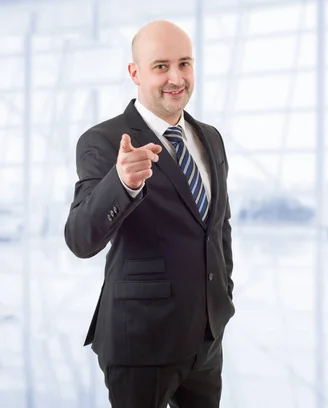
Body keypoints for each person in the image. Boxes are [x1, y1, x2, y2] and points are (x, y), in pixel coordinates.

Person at [64, 20, 234, 408]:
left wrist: (223, 293)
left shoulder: (210, 137)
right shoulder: (103, 141)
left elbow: (218, 226)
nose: (176, 78)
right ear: (135, 73)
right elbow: (79, 239)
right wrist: (122, 183)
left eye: (185, 63)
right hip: (141, 343)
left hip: (207, 340)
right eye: (161, 66)